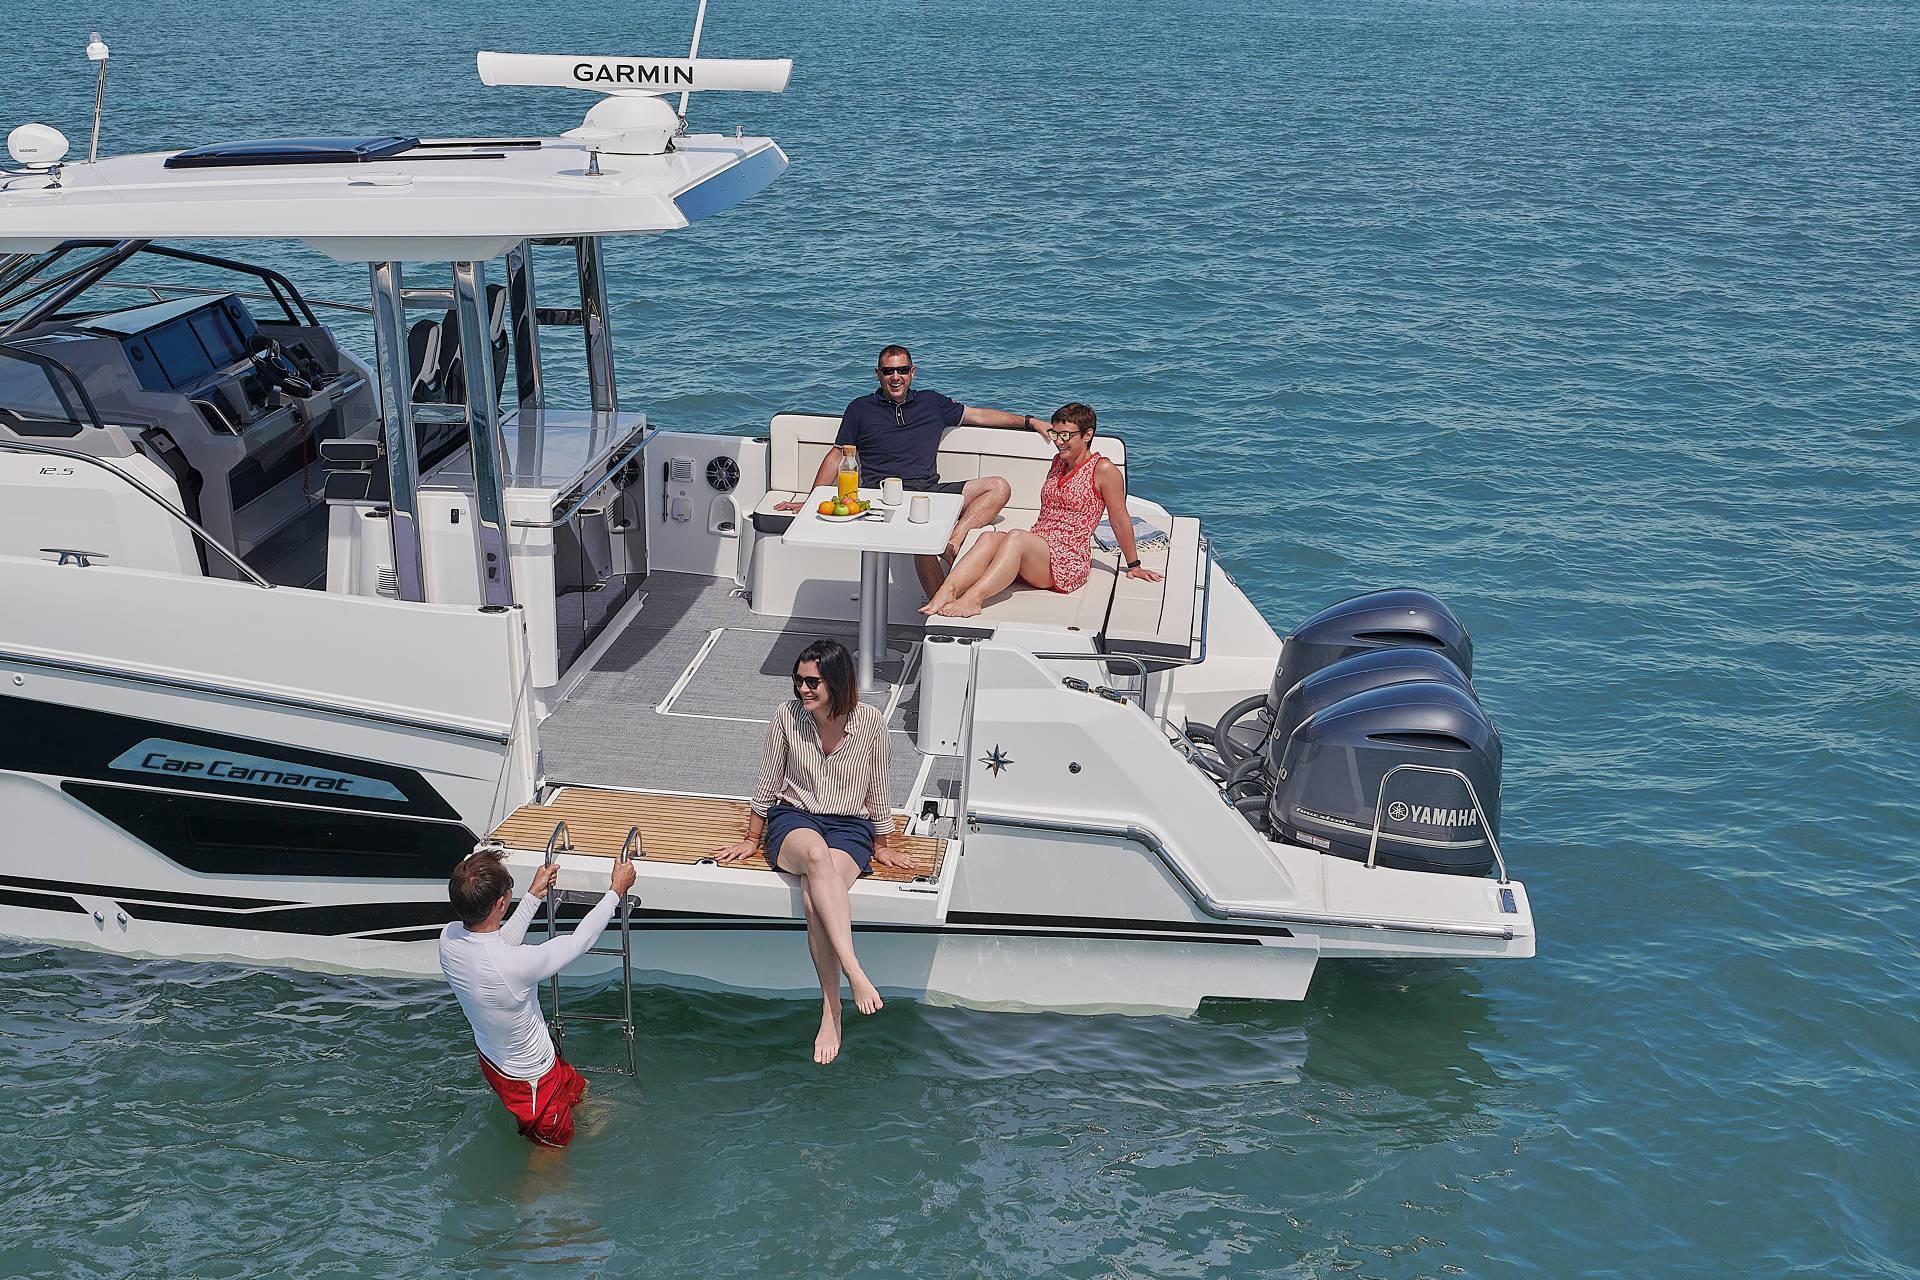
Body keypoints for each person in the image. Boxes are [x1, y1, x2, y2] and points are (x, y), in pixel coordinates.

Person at [713, 637, 912, 1064]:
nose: (802, 689)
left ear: (836, 681)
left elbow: (879, 787)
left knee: (813, 897)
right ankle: (854, 972)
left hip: (849, 826)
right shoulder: (786, 717)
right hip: (795, 820)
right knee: (817, 858)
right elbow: (768, 781)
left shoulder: (871, 723)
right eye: (799, 680)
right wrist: (751, 838)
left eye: (812, 682)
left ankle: (831, 1008)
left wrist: (882, 844)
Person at [775, 345, 1048, 596]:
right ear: (878, 374)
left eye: (902, 370)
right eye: (888, 371)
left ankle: (952, 543)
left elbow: (978, 415)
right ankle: (940, 605)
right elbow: (837, 455)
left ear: (912, 372)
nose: (896, 377)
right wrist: (812, 499)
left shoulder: (932, 402)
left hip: (928, 492)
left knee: (998, 487)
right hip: (882, 498)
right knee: (924, 543)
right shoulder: (859, 409)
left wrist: (1030, 421)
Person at [438, 848, 636, 1148]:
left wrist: (533, 896)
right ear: (501, 903)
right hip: (531, 1082)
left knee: (580, 1090)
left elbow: (495, 945)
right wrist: (615, 891)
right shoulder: (515, 964)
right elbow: (579, 942)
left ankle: (576, 1120)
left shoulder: (449, 937)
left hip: (501, 1060)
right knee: (553, 1153)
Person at [920, 403, 1163, 618]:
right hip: (1039, 546)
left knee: (1016, 537)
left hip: (1066, 560)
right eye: (1055, 434)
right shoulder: (1059, 462)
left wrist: (1134, 565)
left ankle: (973, 600)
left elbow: (1119, 518)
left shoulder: (1104, 470)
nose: (1058, 441)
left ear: (1087, 435)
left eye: (1066, 435)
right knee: (989, 538)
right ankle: (945, 592)